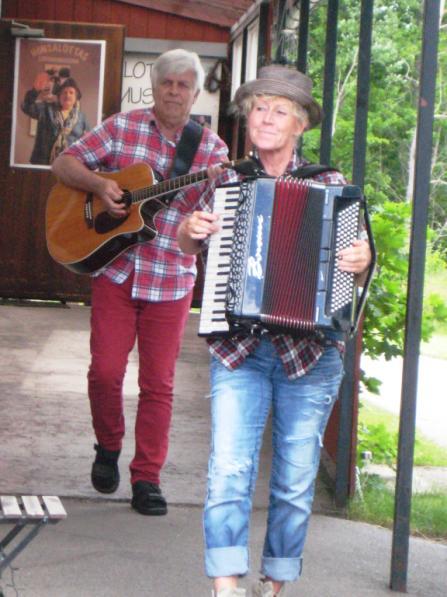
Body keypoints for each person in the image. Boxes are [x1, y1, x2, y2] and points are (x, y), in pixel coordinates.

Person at [177, 65, 372, 596]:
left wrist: (360, 257)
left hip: (309, 359)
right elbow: (186, 240)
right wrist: (190, 232)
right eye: (258, 107)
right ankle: (225, 586)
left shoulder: (329, 185)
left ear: (300, 124)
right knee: (228, 473)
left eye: (279, 110)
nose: (265, 118)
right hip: (239, 350)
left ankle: (277, 584)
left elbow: (359, 263)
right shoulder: (225, 179)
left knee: (293, 481)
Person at [51, 49, 230, 516]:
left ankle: (147, 477)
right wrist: (97, 185)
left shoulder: (212, 152)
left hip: (170, 277)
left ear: (194, 92)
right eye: (167, 82)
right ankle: (108, 445)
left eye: (183, 84)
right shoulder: (121, 127)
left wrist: (206, 210)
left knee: (159, 384)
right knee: (105, 371)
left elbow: (218, 222)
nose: (174, 91)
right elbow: (63, 164)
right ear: (155, 87)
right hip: (115, 271)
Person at [21, 70, 90, 165]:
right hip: (43, 164)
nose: (67, 95)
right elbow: (26, 107)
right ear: (59, 96)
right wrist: (35, 90)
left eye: (71, 92)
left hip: (69, 167)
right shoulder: (45, 109)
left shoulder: (82, 118)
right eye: (64, 92)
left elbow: (87, 142)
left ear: (76, 98)